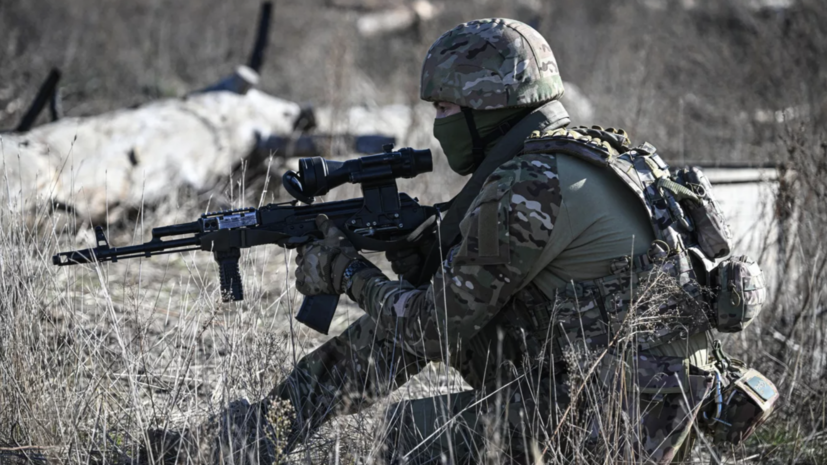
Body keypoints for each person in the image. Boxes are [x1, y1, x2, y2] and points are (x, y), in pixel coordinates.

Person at [146, 17, 769, 465]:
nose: (437, 125)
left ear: (489, 105)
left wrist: (344, 273)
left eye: (444, 108)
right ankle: (245, 441)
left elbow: (428, 330)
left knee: (414, 438)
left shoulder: (532, 183)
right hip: (655, 406)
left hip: (619, 429)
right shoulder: (597, 154)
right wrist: (423, 256)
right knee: (391, 329)